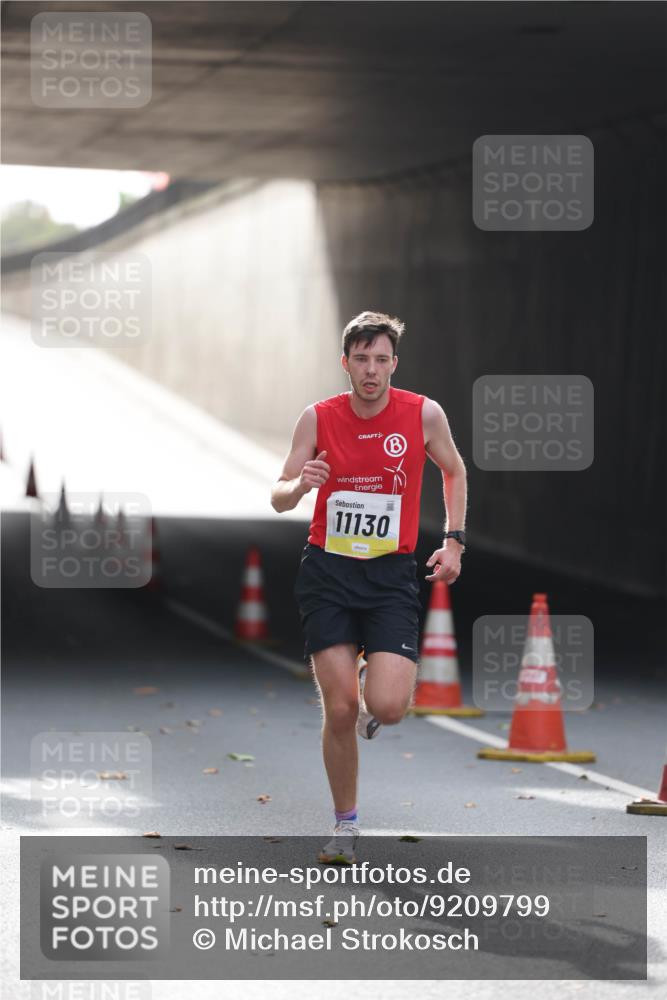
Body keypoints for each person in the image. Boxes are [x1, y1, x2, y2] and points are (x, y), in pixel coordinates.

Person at [270, 311, 467, 862]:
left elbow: (454, 471)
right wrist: (299, 486)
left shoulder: (423, 414)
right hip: (328, 572)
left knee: (388, 705)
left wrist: (454, 541)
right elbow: (278, 493)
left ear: (394, 364)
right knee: (338, 709)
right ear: (346, 363)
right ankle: (345, 826)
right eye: (362, 359)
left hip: (389, 575)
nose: (372, 370)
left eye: (381, 360)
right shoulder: (318, 417)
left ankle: (368, 684)